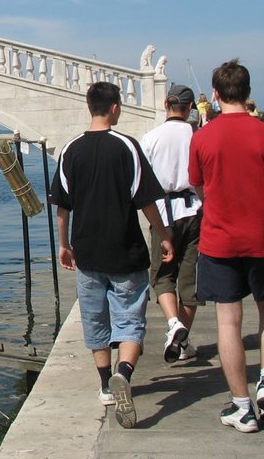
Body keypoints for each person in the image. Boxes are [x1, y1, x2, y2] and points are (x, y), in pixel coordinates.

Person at [51, 81, 173, 429]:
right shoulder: (127, 147)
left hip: (87, 252)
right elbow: (146, 200)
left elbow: (62, 206)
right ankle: (125, 372)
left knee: (95, 321)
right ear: (115, 108)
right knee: (130, 319)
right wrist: (163, 236)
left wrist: (64, 244)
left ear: (90, 107)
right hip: (126, 251)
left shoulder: (71, 150)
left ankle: (106, 384)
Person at [189, 59, 264, 433]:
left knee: (229, 322)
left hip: (220, 240)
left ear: (215, 94)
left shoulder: (202, 137)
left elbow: (199, 189)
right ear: (248, 93)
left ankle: (243, 406)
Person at [140, 84, 203, 366]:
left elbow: (141, 184)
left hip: (164, 215)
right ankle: (182, 338)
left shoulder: (151, 138)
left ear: (166, 103)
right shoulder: (197, 135)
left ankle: (174, 323)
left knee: (163, 274)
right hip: (195, 210)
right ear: (191, 108)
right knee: (190, 281)